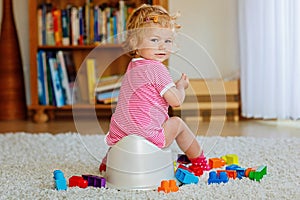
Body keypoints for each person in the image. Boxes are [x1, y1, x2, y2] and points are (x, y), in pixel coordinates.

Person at [100, 4, 210, 172]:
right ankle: (200, 161)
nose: (162, 46)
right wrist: (180, 86)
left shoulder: (132, 66)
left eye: (168, 41)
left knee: (131, 122)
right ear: (135, 43)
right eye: (154, 40)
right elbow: (176, 102)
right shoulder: (158, 69)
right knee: (177, 123)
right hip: (148, 138)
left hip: (120, 134)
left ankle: (109, 161)